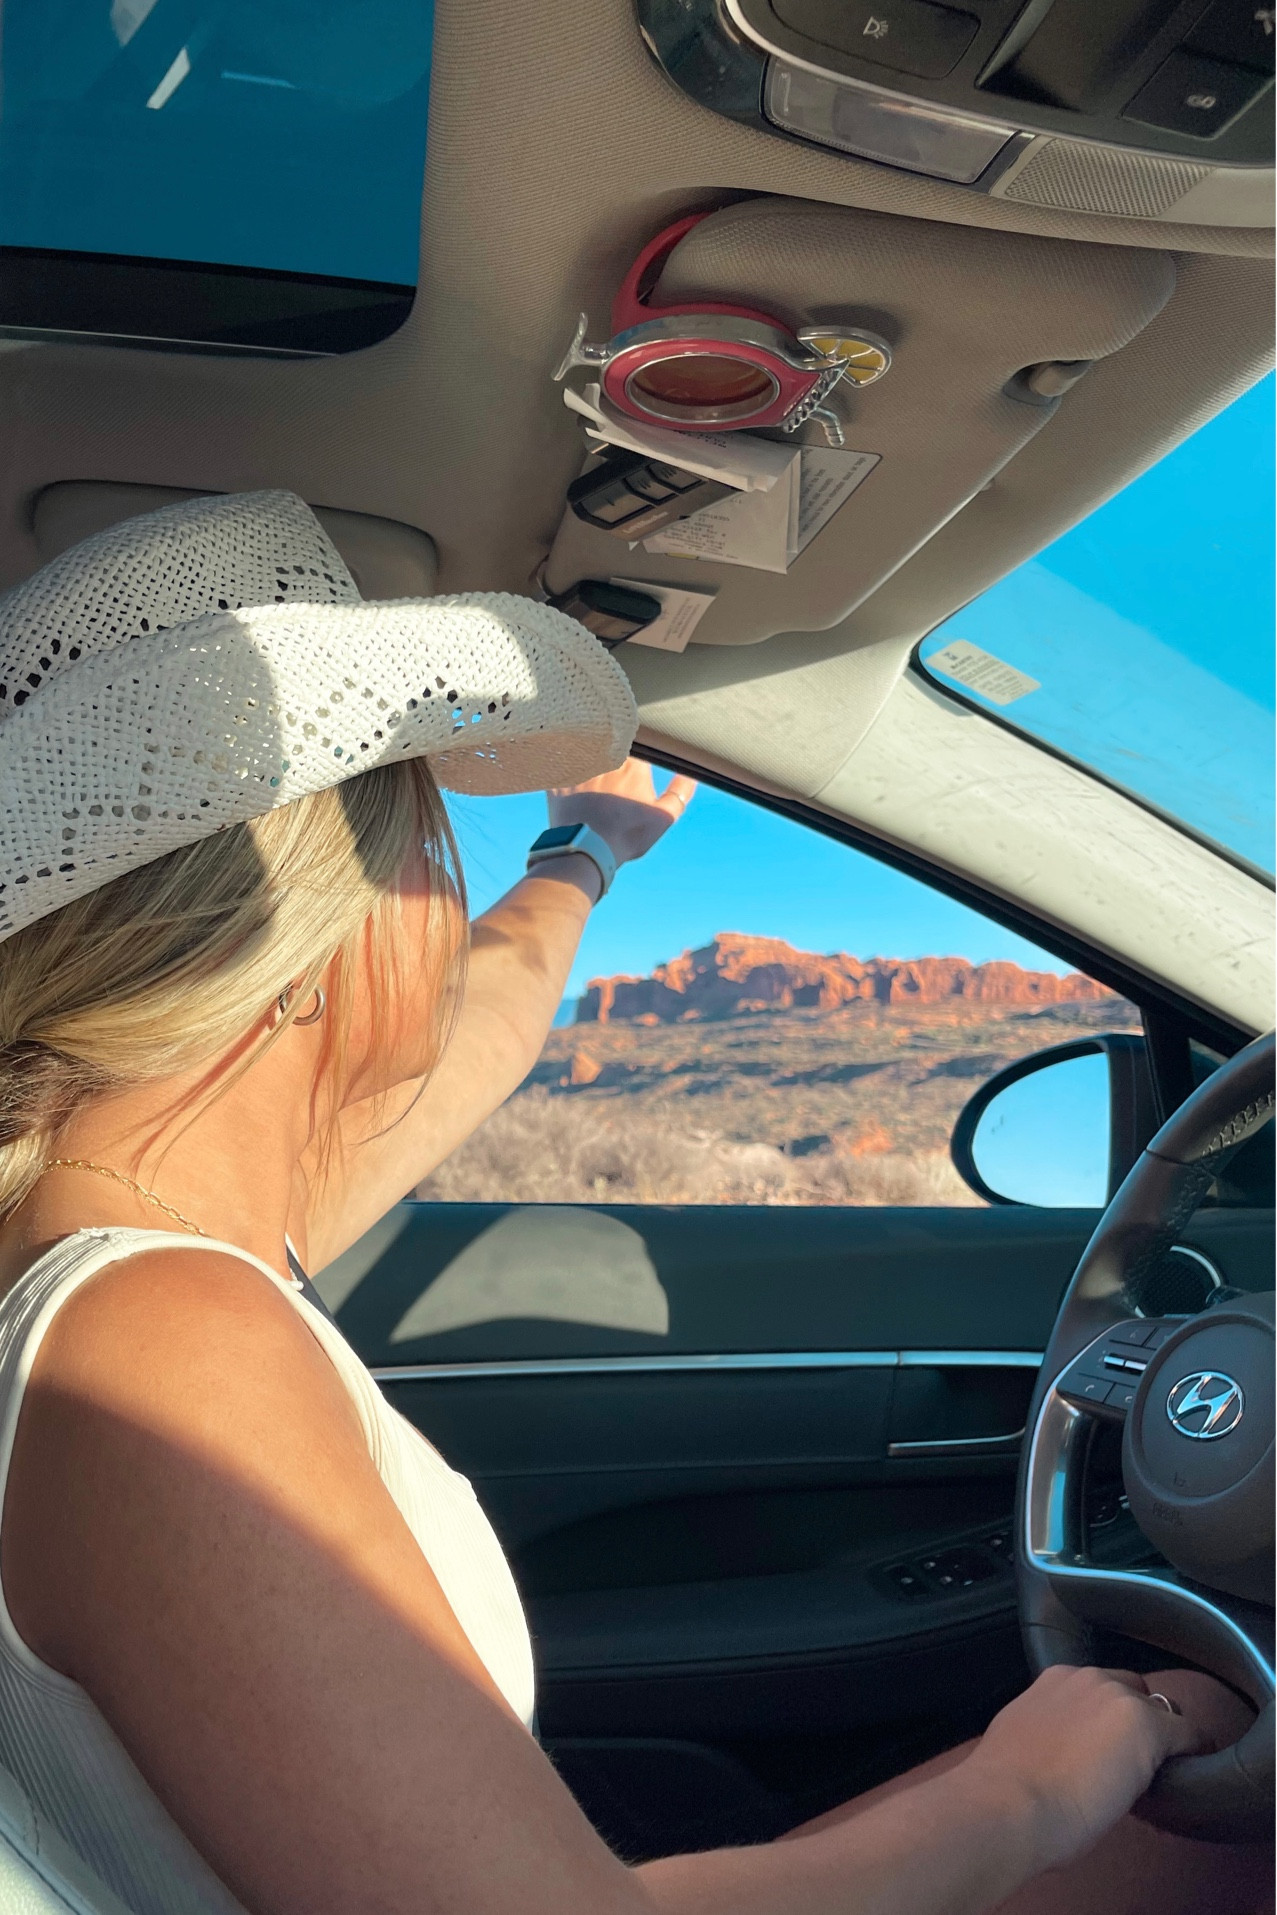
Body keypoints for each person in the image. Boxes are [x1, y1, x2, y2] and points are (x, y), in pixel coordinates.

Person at [0, 492, 1266, 1915]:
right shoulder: (162, 1336)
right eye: (431, 854)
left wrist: (577, 858)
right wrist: (1047, 1774)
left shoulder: (128, 1254)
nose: (448, 897)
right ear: (326, 924)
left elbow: (456, 1053)